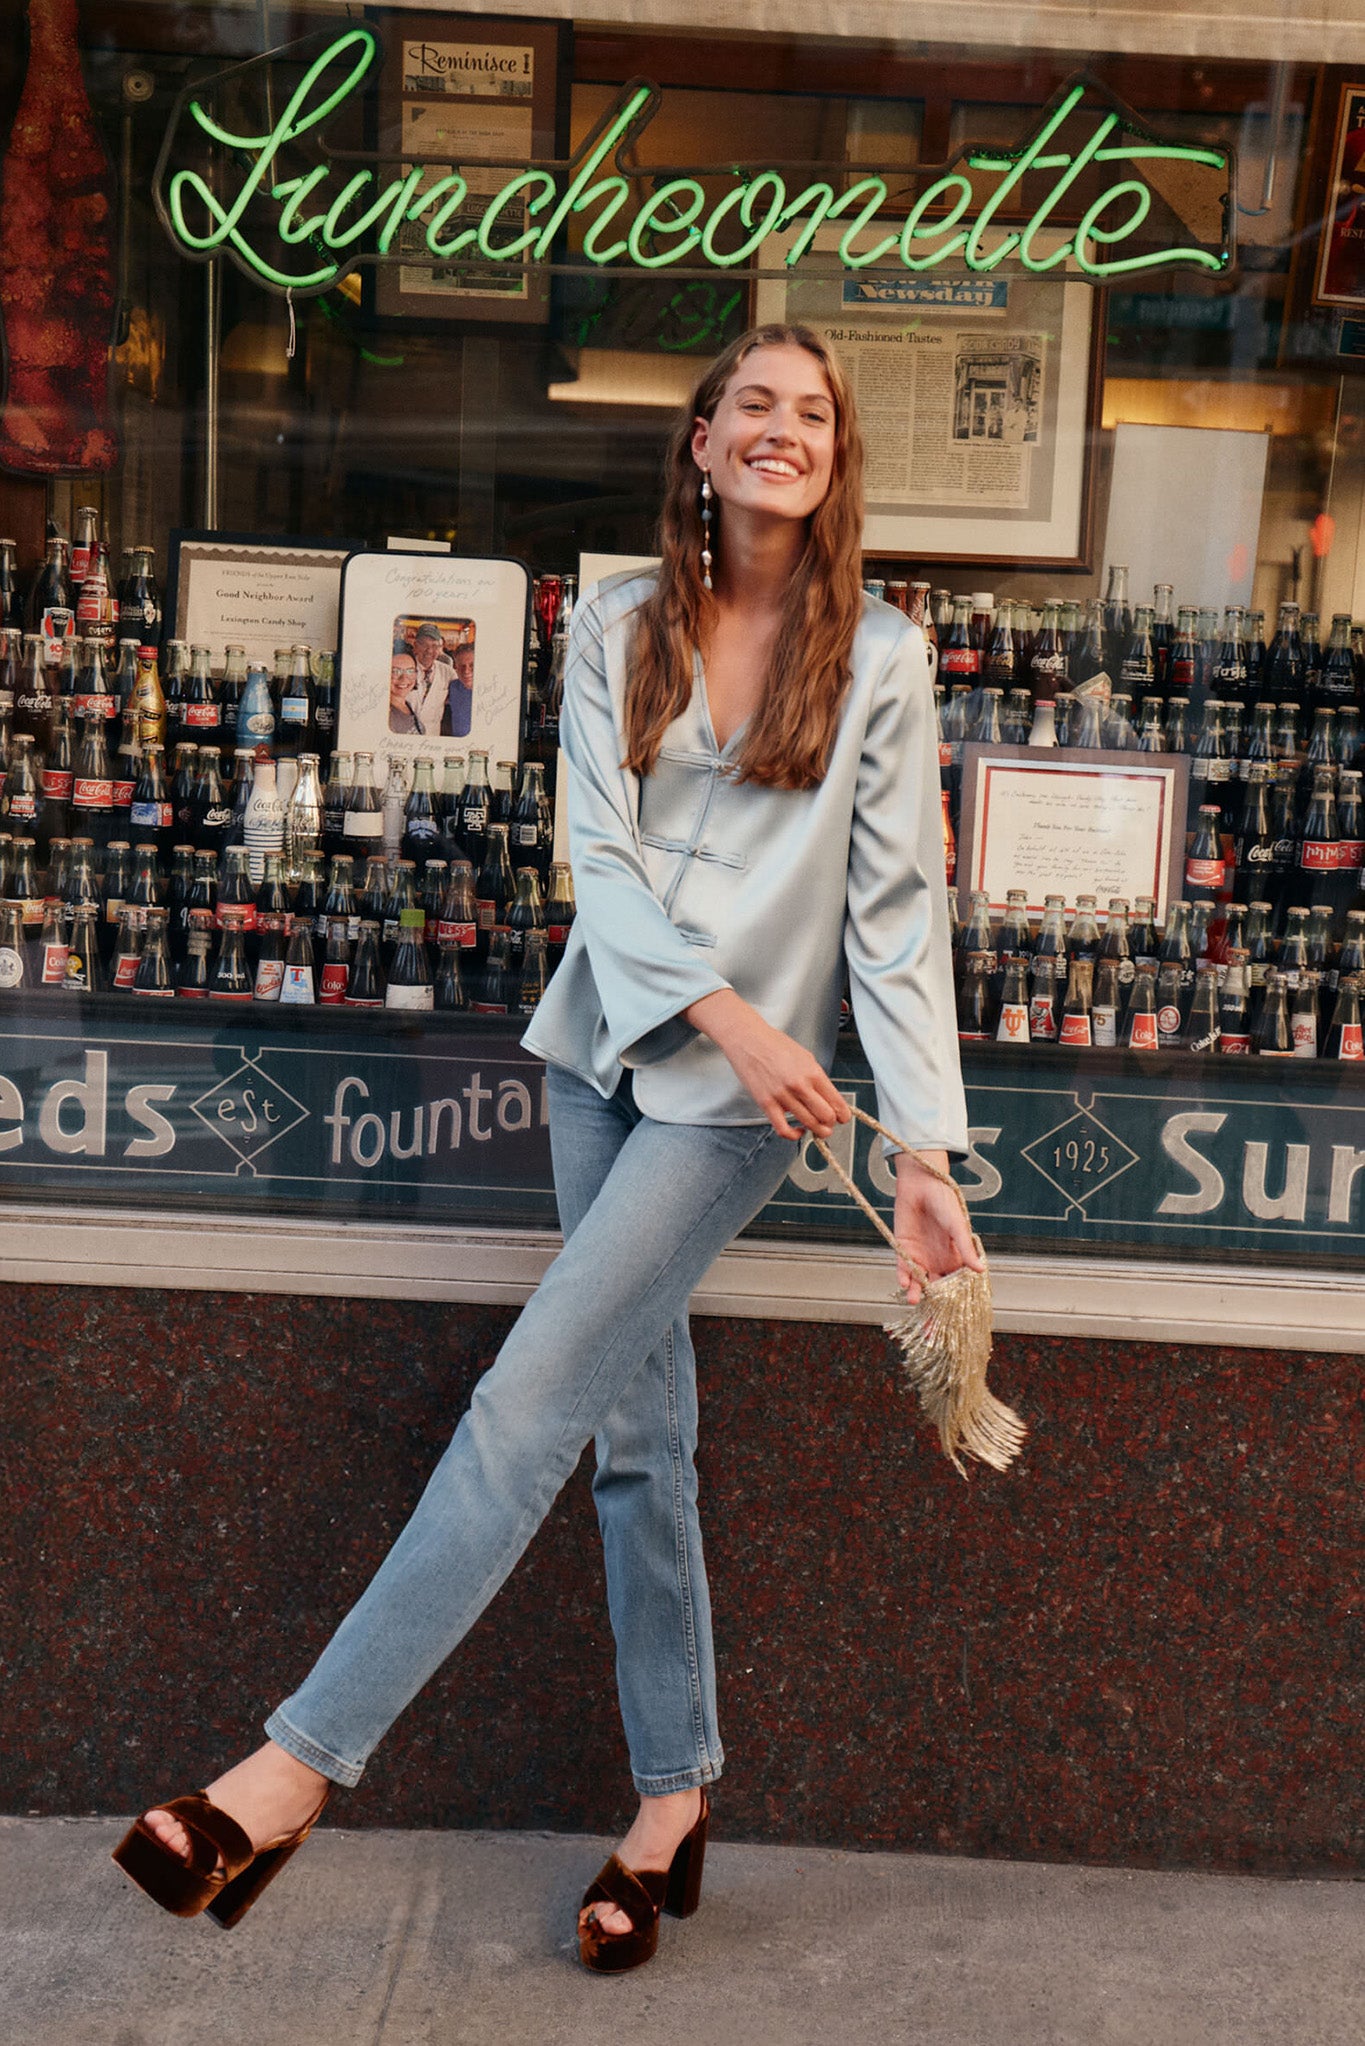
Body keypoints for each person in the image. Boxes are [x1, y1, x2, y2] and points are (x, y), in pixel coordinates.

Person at [112, 323, 979, 1972]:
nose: (783, 429)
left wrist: (923, 1151)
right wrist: (726, 1013)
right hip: (609, 1055)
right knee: (637, 1433)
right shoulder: (616, 623)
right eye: (754, 404)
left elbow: (894, 911)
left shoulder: (880, 655)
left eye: (812, 412)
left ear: (834, 454)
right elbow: (602, 854)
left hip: (735, 1112)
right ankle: (672, 1801)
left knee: (524, 1409)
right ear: (702, 440)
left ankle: (288, 1774)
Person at [410, 620, 454, 733]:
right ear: (415, 646)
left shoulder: (448, 672)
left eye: (434, 646)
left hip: (432, 734)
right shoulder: (404, 667)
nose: (429, 650)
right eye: (424, 644)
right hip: (404, 732)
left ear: (440, 648)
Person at [386, 640, 425, 733]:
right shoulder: (385, 714)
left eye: (410, 671)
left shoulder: (407, 705)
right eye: (396, 671)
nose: (404, 678)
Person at [442, 635, 474, 737]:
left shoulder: (492, 690)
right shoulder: (453, 686)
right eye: (462, 666)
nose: (466, 671)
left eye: (472, 665)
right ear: (456, 667)